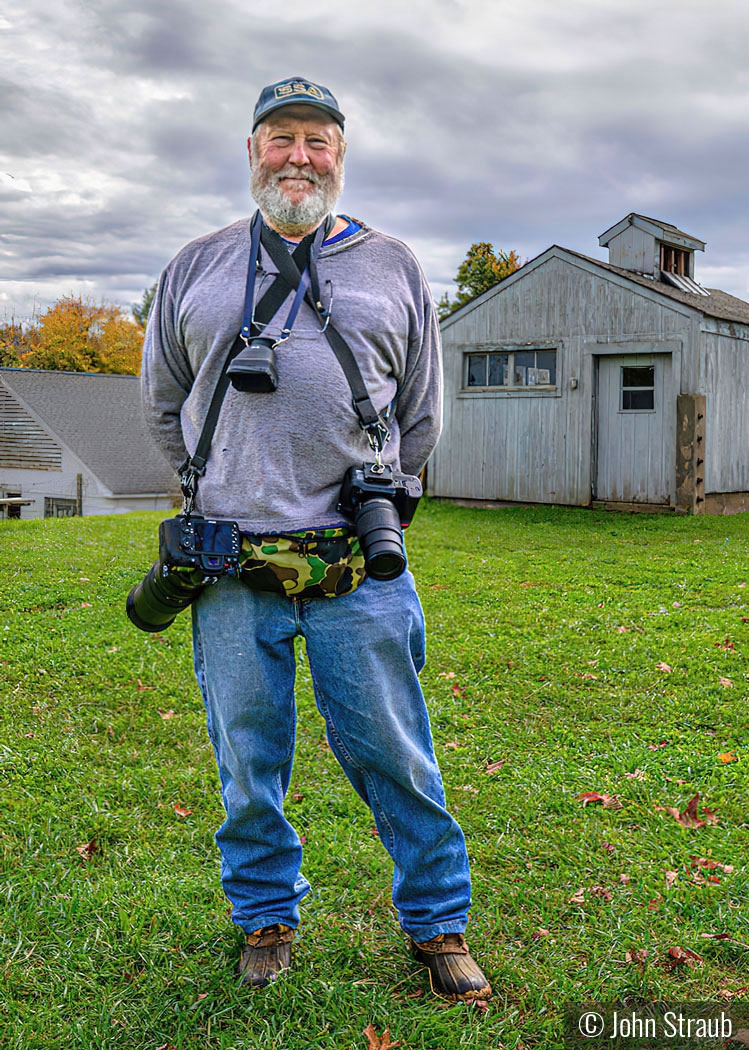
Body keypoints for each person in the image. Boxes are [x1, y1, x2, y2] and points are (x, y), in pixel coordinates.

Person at [141, 76, 491, 1003]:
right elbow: (161, 405)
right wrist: (223, 483)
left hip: (358, 560)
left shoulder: (396, 265)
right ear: (252, 150)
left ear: (341, 155)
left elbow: (423, 416)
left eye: (319, 140)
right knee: (248, 756)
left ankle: (438, 924)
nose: (300, 156)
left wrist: (383, 494)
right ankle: (264, 913)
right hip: (224, 564)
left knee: (394, 751)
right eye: (281, 138)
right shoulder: (196, 265)